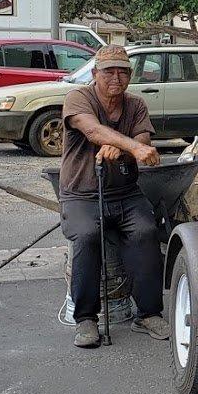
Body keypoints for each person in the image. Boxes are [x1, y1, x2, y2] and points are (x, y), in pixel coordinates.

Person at [60, 45, 167, 348]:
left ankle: (147, 313)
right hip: (82, 193)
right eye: (108, 71)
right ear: (95, 74)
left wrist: (124, 146)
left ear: (130, 76)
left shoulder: (136, 105)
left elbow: (144, 137)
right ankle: (85, 319)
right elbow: (91, 130)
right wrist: (132, 147)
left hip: (125, 191)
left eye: (123, 71)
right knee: (86, 236)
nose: (115, 78)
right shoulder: (78, 98)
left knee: (146, 231)